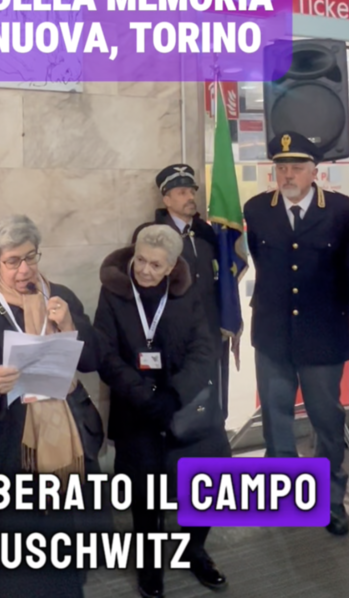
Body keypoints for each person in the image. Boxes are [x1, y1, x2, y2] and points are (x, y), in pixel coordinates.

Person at [0, 214, 101, 598]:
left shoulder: (60, 297)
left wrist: (70, 324)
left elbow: (93, 359)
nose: (24, 270)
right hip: (7, 451)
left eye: (30, 257)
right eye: (12, 261)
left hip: (63, 446)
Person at [95, 224, 230, 597]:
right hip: (135, 406)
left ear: (171, 267)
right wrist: (143, 397)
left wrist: (174, 393)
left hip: (184, 405)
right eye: (141, 260)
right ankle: (149, 562)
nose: (145, 271)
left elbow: (204, 350)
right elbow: (104, 354)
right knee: (144, 490)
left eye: (156, 265)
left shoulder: (188, 292)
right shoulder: (113, 292)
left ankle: (194, 550)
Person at [244, 131, 349, 536]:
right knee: (275, 420)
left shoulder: (344, 211)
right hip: (273, 333)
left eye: (296, 167)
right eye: (280, 167)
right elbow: (260, 259)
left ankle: (330, 501)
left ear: (315, 171)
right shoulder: (257, 209)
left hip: (323, 334)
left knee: (327, 420)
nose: (287, 174)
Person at [132, 163, 240, 418]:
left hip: (209, 337)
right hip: (172, 338)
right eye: (181, 192)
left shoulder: (206, 235)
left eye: (191, 191)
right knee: (176, 411)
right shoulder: (151, 236)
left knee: (211, 408)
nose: (190, 197)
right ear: (166, 198)